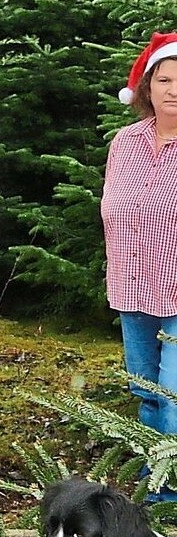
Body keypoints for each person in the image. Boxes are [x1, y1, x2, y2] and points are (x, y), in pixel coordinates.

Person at [103, 32, 177, 501]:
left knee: (173, 395)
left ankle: (171, 494)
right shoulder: (124, 143)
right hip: (133, 289)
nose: (173, 89)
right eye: (164, 79)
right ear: (148, 87)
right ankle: (157, 485)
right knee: (148, 392)